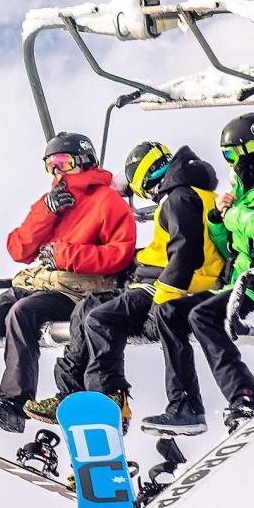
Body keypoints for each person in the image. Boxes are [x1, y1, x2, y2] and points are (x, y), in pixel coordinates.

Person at [0, 132, 136, 433]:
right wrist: (46, 211)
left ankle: (13, 403)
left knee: (22, 313)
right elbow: (19, 249)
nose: (56, 171)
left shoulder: (108, 202)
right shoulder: (54, 202)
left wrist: (67, 255)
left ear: (84, 161)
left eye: (62, 162)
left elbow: (119, 255)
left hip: (77, 290)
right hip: (40, 282)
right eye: (50, 165)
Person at [23, 141, 224, 432]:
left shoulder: (180, 198)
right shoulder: (178, 196)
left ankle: (110, 397)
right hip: (149, 280)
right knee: (86, 308)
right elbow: (168, 249)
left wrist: (165, 294)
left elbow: (186, 253)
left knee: (101, 318)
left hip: (166, 285)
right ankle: (70, 394)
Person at [140, 112, 254, 435]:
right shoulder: (246, 188)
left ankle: (245, 396)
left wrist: (236, 215)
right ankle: (184, 406)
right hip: (246, 282)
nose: (230, 163)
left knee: (204, 317)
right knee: (170, 312)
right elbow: (231, 248)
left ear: (253, 147)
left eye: (232, 154)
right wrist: (217, 219)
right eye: (226, 156)